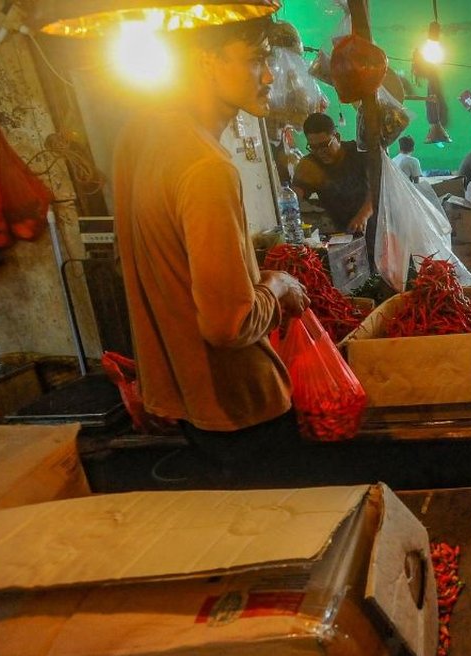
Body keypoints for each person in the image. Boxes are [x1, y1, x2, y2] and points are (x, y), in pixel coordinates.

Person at [112, 17, 309, 481]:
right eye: (256, 58)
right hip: (240, 409)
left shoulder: (139, 139)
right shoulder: (207, 169)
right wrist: (277, 284)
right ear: (205, 61)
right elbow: (229, 324)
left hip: (190, 401)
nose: (269, 75)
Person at [292, 112, 374, 234]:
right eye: (313, 147)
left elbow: (379, 187)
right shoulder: (309, 165)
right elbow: (294, 197)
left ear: (337, 137)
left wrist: (363, 216)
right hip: (342, 231)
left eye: (324, 145)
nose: (320, 152)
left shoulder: (358, 152)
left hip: (375, 224)